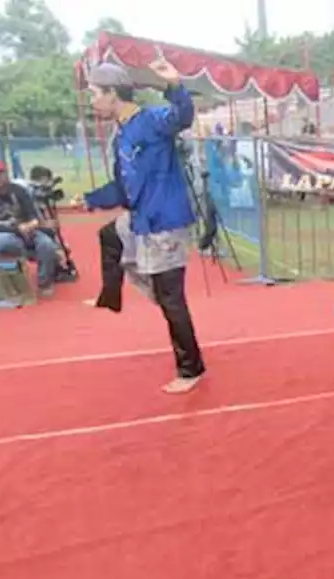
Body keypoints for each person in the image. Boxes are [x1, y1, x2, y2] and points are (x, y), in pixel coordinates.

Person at [81, 60, 205, 395]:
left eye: (95, 94)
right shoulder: (121, 135)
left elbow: (181, 116)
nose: (91, 101)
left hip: (165, 220)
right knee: (110, 235)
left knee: (171, 298)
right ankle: (111, 296)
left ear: (112, 93)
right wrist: (91, 199)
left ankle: (191, 368)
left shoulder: (149, 120)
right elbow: (123, 187)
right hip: (141, 219)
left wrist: (174, 84)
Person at [0, 156, 60, 298]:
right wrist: (17, 230)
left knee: (46, 244)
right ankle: (23, 266)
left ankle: (44, 283)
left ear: (5, 173)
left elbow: (32, 215)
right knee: (8, 240)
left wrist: (32, 224)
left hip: (26, 231)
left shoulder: (18, 190)